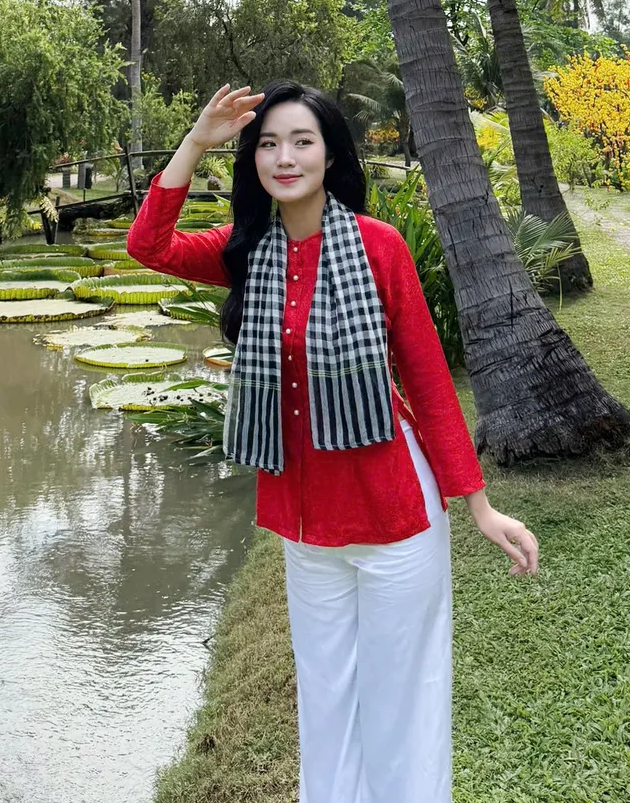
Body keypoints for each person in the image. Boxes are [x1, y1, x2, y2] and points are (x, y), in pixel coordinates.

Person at [126, 80, 539, 803]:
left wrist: (478, 508)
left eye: (302, 141)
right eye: (269, 143)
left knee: (401, 704)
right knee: (325, 701)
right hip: (306, 521)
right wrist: (196, 141)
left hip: (395, 517)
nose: (284, 157)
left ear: (330, 155)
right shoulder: (245, 250)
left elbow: (429, 381)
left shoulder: (378, 249)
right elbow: (148, 244)